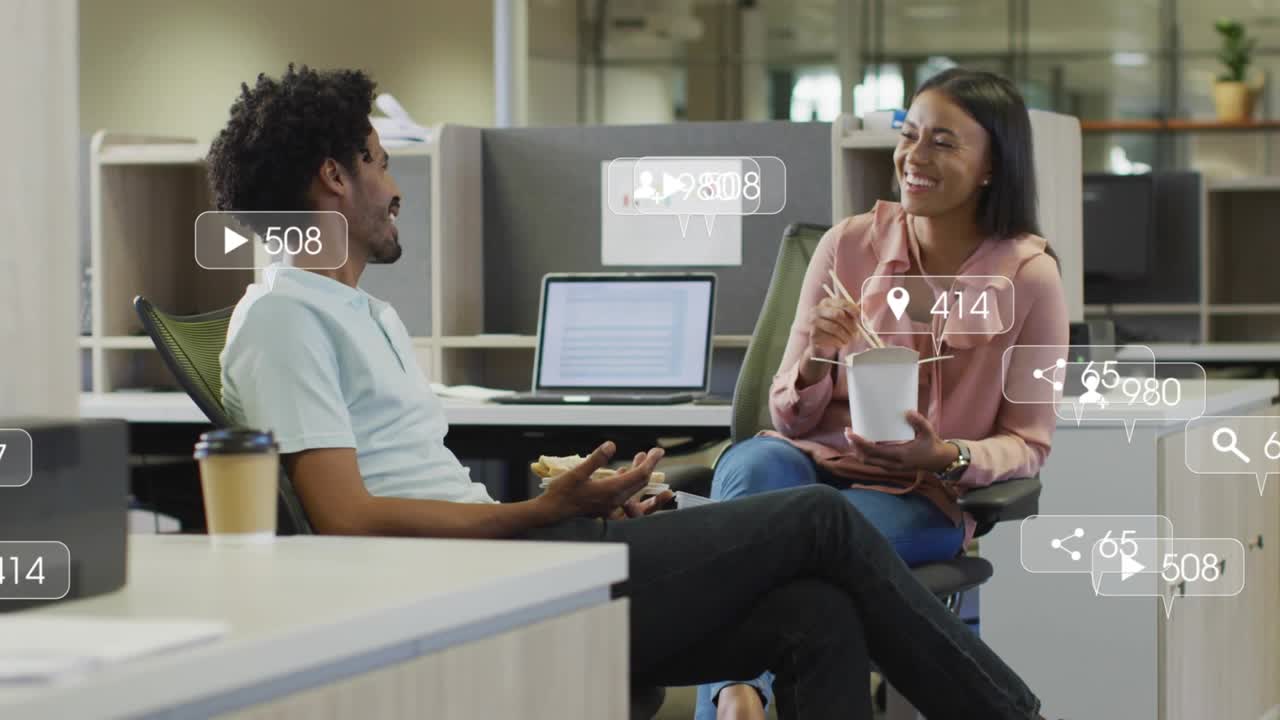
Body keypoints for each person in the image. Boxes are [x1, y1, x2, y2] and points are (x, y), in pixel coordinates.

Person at [211, 64, 1047, 720]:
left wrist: (579, 512)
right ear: (333, 178)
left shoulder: (353, 310)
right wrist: (536, 516)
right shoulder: (285, 317)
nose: (396, 189)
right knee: (818, 519)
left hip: (521, 559)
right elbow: (344, 517)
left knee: (817, 614)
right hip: (480, 582)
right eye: (381, 165)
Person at [698, 68, 1069, 720]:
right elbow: (784, 411)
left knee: (802, 556)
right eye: (909, 134)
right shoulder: (847, 246)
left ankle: (732, 695)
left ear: (992, 167)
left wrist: (948, 456)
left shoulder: (1032, 278)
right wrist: (816, 354)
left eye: (944, 142)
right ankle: (736, 693)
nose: (914, 157)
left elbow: (1029, 442)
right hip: (807, 462)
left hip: (918, 496)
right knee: (754, 465)